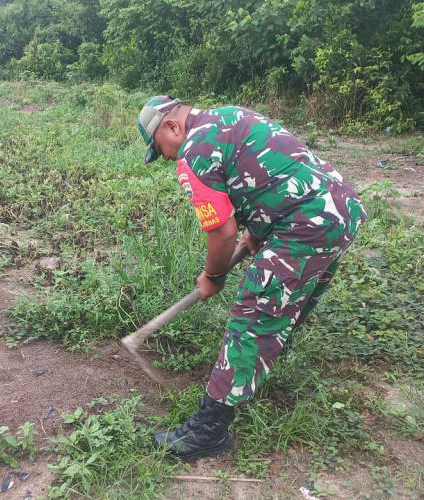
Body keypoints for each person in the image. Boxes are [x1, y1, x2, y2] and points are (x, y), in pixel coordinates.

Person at [137, 96, 367, 461]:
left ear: (171, 127)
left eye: (160, 150)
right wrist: (258, 229)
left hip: (304, 225)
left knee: (255, 316)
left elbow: (222, 233)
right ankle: (258, 371)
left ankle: (209, 429)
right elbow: (269, 173)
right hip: (340, 210)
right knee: (286, 307)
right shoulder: (230, 115)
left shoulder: (193, 151)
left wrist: (214, 275)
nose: (166, 158)